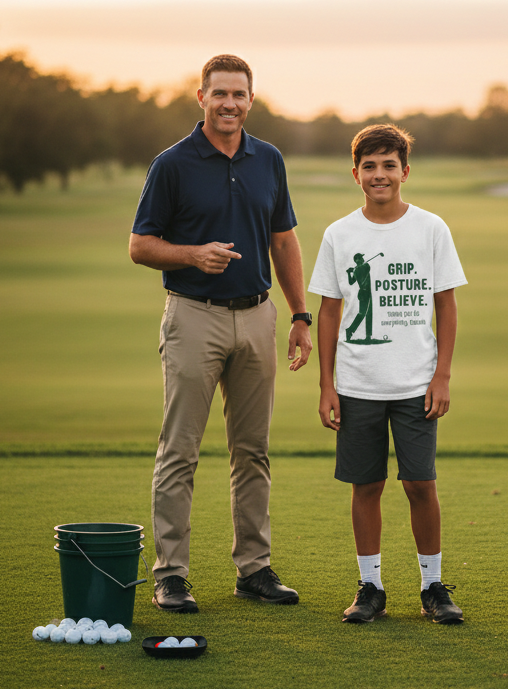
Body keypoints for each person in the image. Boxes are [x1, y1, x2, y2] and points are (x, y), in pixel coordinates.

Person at [129, 54, 312, 614]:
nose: (229, 103)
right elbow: (140, 245)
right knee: (180, 450)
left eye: (239, 94)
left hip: (257, 315)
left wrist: (300, 315)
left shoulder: (269, 160)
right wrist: (191, 254)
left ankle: (253, 568)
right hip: (193, 315)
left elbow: (283, 240)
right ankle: (171, 574)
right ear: (201, 97)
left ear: (250, 100)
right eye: (219, 94)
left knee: (252, 451)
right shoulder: (173, 164)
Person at [308, 123, 468, 624]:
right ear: (356, 174)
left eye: (389, 165)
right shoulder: (339, 234)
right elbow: (330, 312)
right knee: (366, 485)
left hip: (416, 385)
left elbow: (446, 306)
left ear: (405, 170)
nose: (380, 175)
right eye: (370, 166)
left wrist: (441, 376)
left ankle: (433, 586)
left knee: (420, 484)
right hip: (357, 385)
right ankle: (371, 587)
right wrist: (326, 384)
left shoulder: (431, 228)